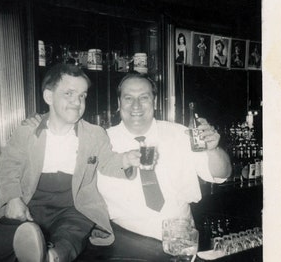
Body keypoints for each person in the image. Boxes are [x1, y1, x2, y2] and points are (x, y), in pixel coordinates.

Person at [0, 64, 141, 262]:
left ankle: (52, 256)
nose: (77, 101)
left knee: (72, 233)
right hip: (30, 201)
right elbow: (8, 167)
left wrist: (126, 159)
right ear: (49, 97)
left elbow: (107, 162)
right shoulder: (27, 131)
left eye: (82, 95)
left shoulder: (94, 134)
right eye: (69, 93)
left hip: (73, 205)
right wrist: (14, 199)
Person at [97, 73, 231, 240]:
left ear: (154, 102)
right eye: (128, 98)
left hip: (180, 241)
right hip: (125, 245)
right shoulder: (100, 142)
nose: (136, 106)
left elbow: (222, 173)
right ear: (119, 103)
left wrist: (213, 149)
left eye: (144, 97)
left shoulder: (181, 134)